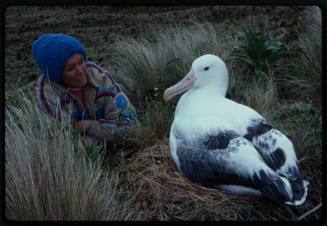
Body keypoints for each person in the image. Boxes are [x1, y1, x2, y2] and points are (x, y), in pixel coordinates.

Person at [32, 34, 137, 148]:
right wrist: (107, 140)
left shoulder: (101, 77)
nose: (81, 71)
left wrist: (89, 126)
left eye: (81, 62)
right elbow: (62, 146)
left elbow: (130, 127)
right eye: (70, 68)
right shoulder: (47, 94)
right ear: (56, 75)